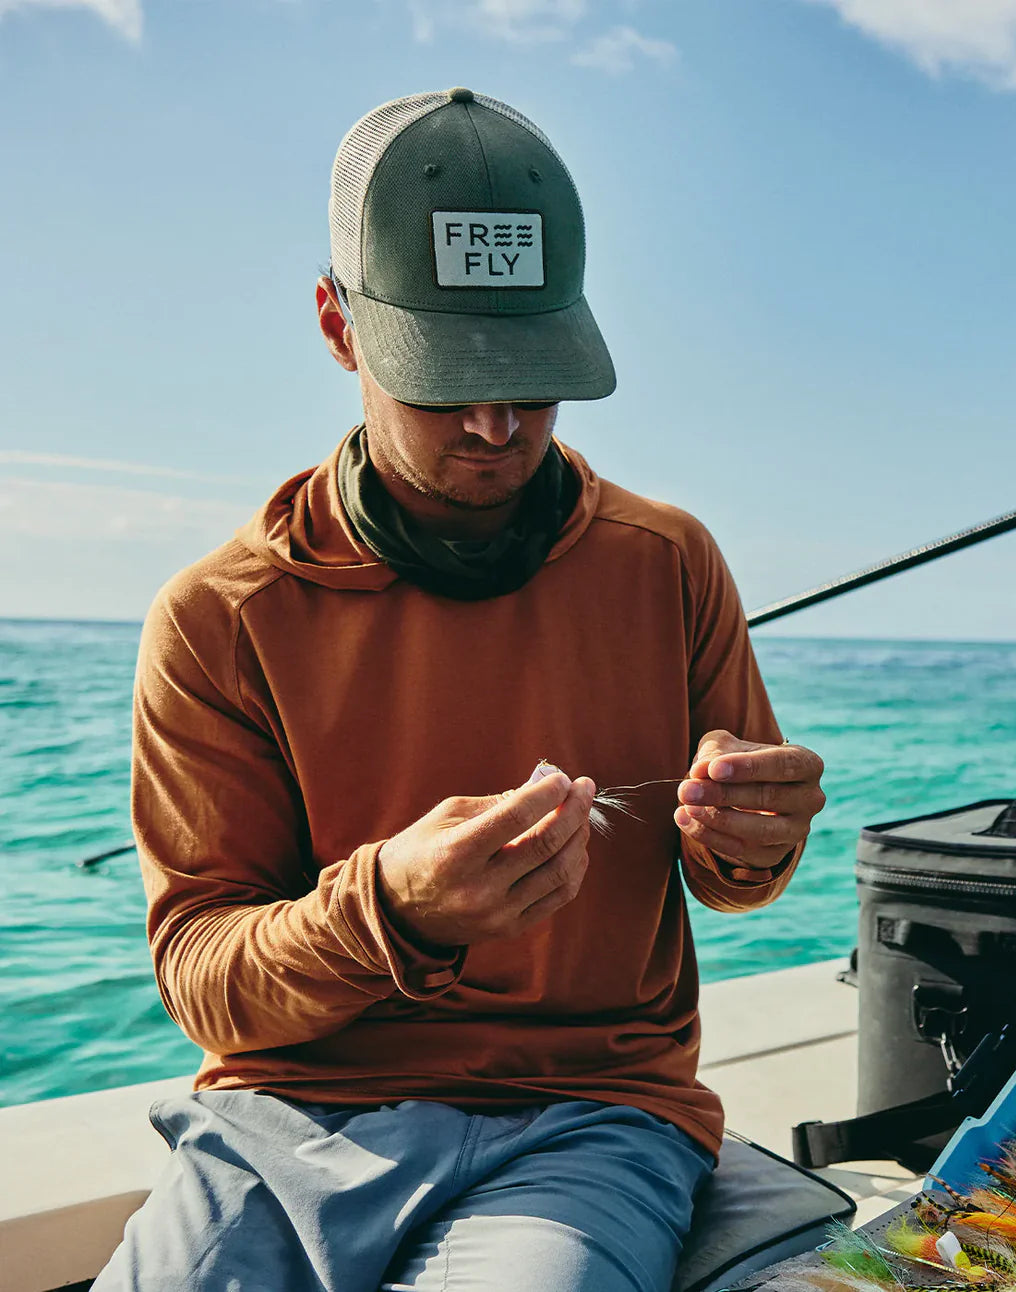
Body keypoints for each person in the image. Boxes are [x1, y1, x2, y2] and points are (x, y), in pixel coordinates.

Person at [93, 87, 825, 1292]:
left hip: (592, 1114)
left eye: (533, 379)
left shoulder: (671, 559)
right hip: (282, 1118)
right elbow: (208, 987)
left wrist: (753, 838)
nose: (495, 422)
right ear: (338, 328)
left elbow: (732, 881)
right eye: (446, 378)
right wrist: (393, 909)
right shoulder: (219, 615)